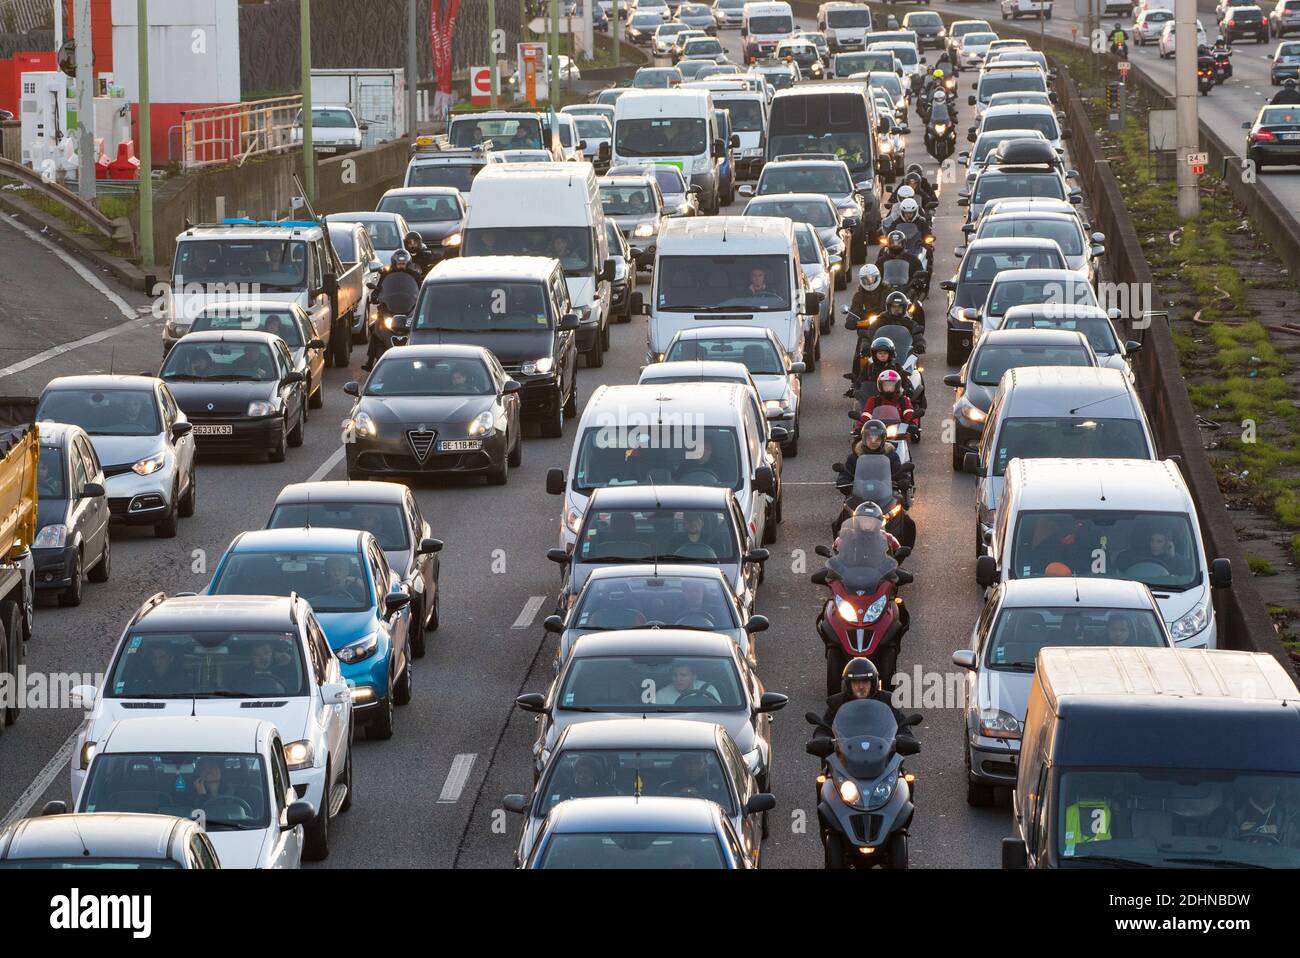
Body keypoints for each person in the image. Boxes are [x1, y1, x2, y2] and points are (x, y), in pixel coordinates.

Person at [818, 658, 918, 744]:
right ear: (848, 684)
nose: (861, 686)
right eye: (856, 682)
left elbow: (902, 725)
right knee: (827, 766)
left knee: (904, 767)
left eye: (865, 681)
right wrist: (822, 739)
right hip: (844, 756)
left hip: (883, 755)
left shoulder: (888, 700)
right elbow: (824, 728)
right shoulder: (836, 702)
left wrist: (904, 737)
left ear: (873, 683)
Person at [363, 250, 423, 370]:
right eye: (399, 263)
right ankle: (370, 361)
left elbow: (421, 289)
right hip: (389, 309)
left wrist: (422, 298)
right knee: (375, 329)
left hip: (409, 309)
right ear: (394, 263)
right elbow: (378, 288)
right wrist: (375, 295)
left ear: (408, 263)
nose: (401, 266)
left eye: (404, 263)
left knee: (422, 331)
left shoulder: (415, 275)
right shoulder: (386, 274)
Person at [1230, 780, 1299, 846]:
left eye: (1270, 784)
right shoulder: (1237, 815)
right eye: (1261, 783)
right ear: (1253, 785)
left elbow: (1290, 848)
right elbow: (1227, 845)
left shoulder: (1287, 818)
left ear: (1277, 788)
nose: (1266, 788)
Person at [656, 662, 720, 705]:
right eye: (675, 675)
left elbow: (719, 712)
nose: (678, 679)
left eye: (683, 675)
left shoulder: (708, 689)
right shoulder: (661, 695)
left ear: (694, 676)